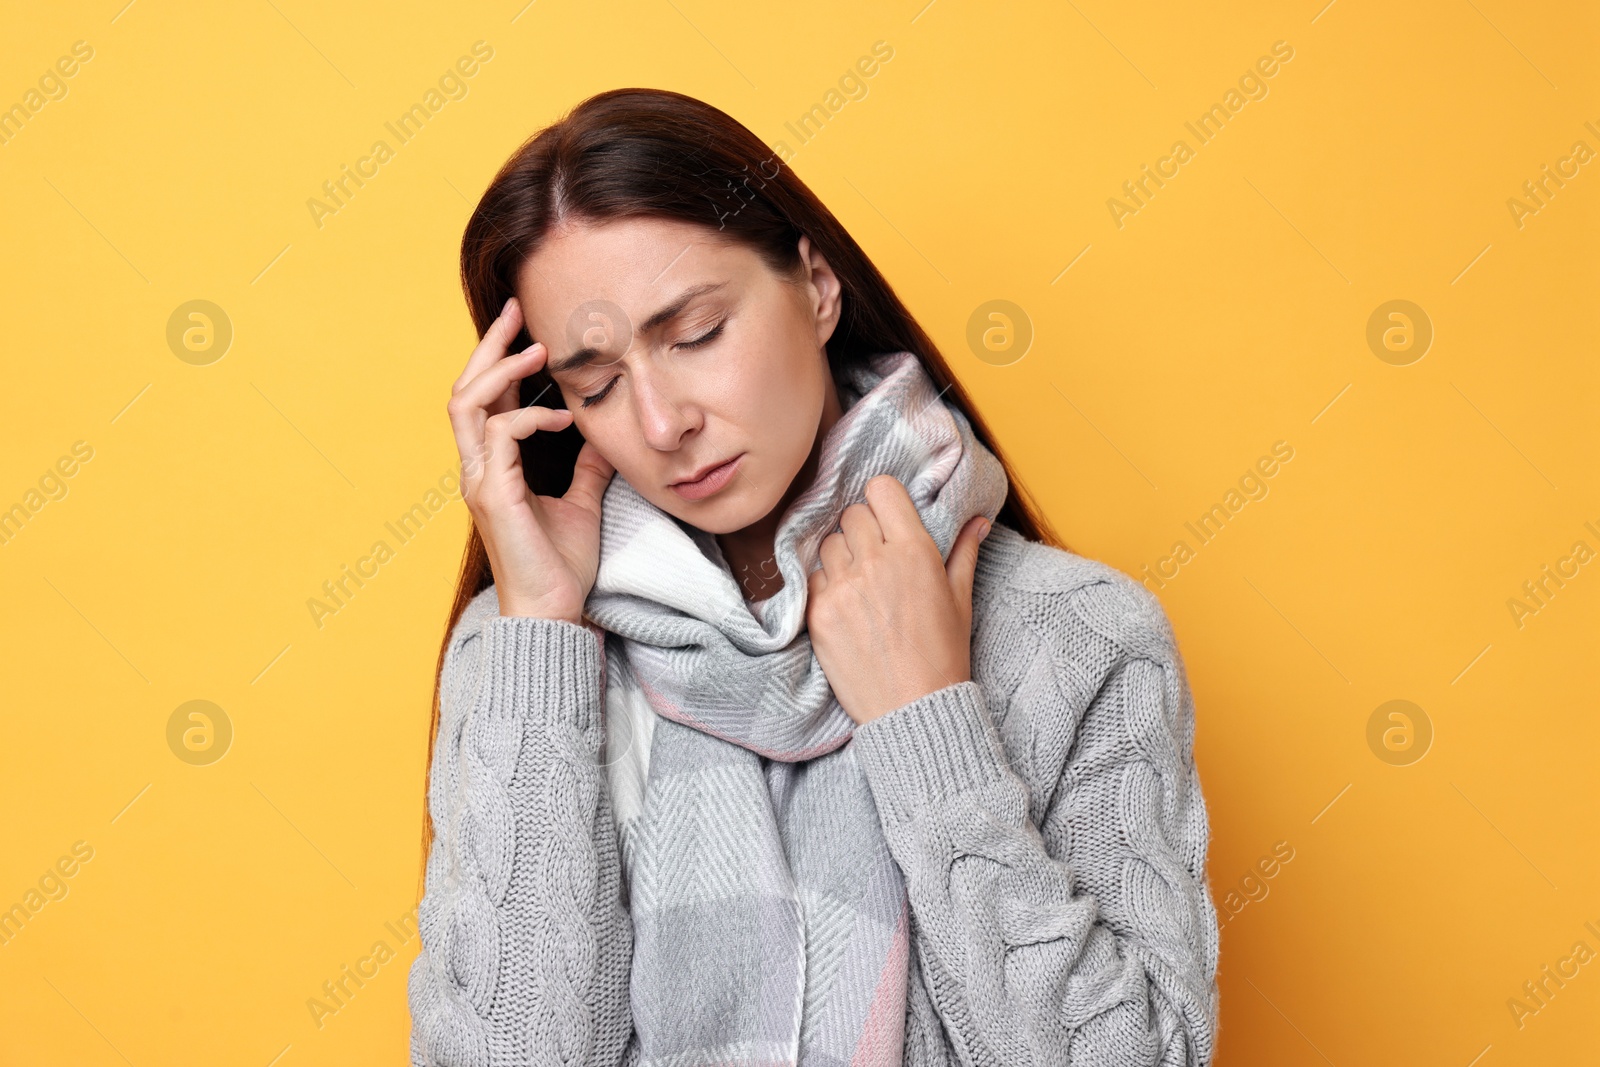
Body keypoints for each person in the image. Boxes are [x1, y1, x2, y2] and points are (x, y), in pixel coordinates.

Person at [407, 87, 1219, 1067]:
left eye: (697, 332)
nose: (662, 423)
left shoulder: (1073, 634)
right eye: (597, 383)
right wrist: (541, 626)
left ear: (817, 285)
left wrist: (929, 725)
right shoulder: (519, 657)